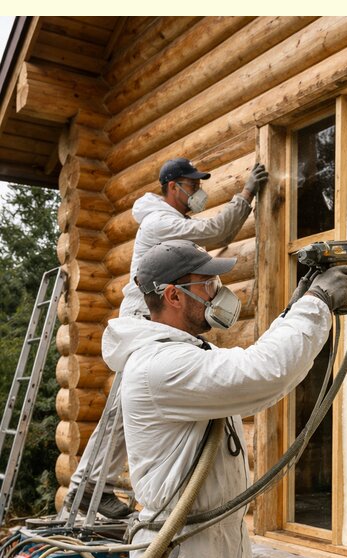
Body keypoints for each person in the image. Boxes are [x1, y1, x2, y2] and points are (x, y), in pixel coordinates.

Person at [102, 239, 347, 558]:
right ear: (173, 295)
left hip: (224, 539)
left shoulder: (190, 353)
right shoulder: (159, 365)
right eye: (208, 283)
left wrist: (296, 309)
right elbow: (260, 374)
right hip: (184, 549)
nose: (220, 292)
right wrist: (316, 304)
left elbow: (251, 363)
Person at [63, 158, 268, 519]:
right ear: (174, 187)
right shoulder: (160, 221)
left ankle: (90, 484)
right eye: (193, 185)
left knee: (131, 405)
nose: (199, 192)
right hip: (147, 319)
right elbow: (217, 231)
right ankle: (89, 485)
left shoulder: (173, 224)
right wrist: (247, 193)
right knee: (125, 407)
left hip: (156, 320)